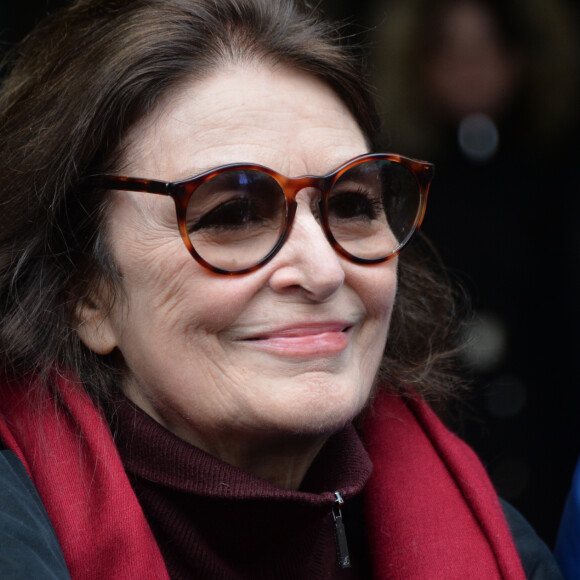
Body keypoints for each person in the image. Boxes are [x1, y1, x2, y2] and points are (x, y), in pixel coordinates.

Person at [0, 0, 562, 578]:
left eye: (352, 205)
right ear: (84, 292)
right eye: (233, 215)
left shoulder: (498, 544)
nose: (323, 271)